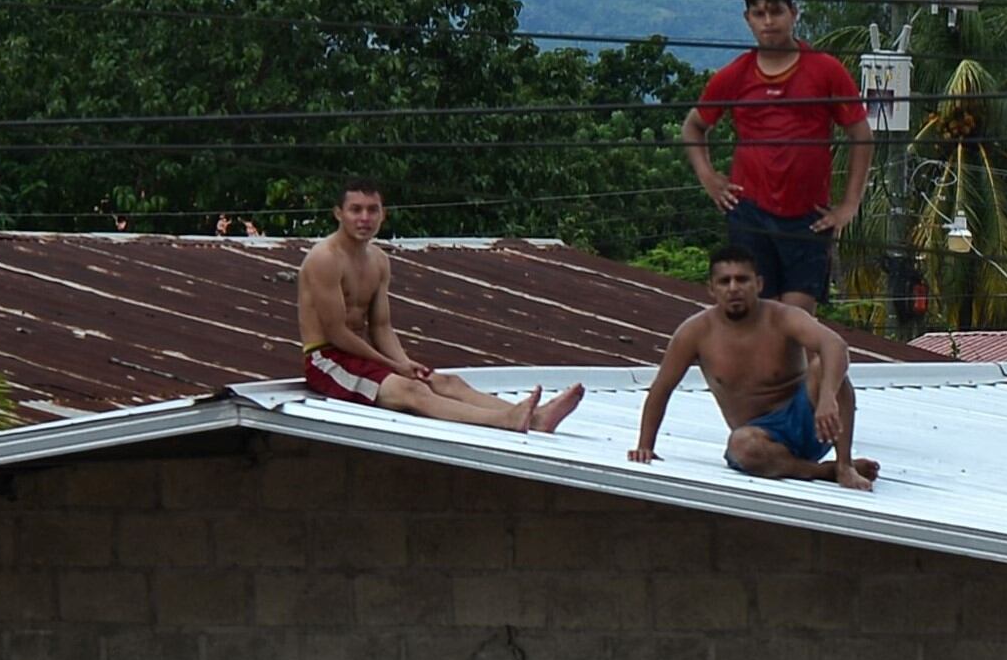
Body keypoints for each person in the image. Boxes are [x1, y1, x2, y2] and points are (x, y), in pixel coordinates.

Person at [296, 181, 584, 431]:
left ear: (383, 214)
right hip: (327, 360)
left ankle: (536, 418)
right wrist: (394, 366)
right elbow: (336, 333)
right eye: (355, 209)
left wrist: (405, 362)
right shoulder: (325, 258)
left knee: (446, 383)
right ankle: (505, 420)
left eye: (373, 210)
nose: (364, 218)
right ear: (338, 213)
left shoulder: (379, 260)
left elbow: (382, 326)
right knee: (411, 389)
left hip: (366, 360)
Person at [684, 0, 868, 308]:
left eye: (776, 11)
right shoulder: (735, 74)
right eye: (759, 13)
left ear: (793, 13)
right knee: (758, 319)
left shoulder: (825, 70)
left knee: (796, 323)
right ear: (748, 19)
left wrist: (849, 205)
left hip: (808, 217)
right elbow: (694, 126)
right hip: (750, 213)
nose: (769, 21)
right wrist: (709, 178)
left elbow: (860, 135)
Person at [628, 249, 881, 488]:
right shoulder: (694, 332)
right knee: (742, 446)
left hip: (814, 423)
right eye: (725, 281)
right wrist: (645, 446)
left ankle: (845, 464)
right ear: (712, 289)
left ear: (758, 284)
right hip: (762, 438)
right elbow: (661, 389)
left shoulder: (783, 317)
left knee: (825, 367)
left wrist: (827, 398)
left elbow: (835, 345)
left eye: (742, 280)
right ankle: (824, 471)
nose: (734, 288)